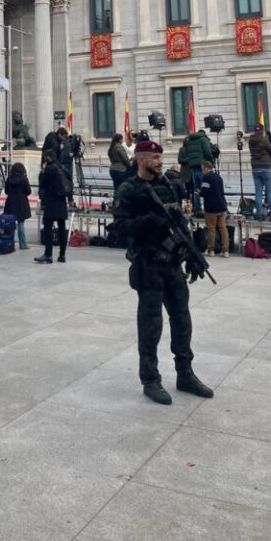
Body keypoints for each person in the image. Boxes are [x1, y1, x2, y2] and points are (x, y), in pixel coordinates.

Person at [114, 139, 213, 405]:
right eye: (155, 158)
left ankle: (185, 373)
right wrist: (149, 222)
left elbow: (179, 223)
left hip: (172, 264)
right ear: (141, 159)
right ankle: (150, 379)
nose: (160, 162)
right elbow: (120, 228)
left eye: (161, 158)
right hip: (148, 265)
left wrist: (193, 254)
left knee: (182, 320)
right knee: (151, 325)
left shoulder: (168, 185)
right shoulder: (128, 189)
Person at [34, 151, 69, 264]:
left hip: (51, 201)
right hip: (62, 202)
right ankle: (62, 255)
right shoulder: (61, 168)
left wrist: (43, 171)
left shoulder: (49, 169)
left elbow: (42, 183)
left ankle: (48, 255)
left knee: (48, 228)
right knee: (62, 228)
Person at [247, 125, 271, 221]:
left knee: (258, 193)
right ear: (262, 131)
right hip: (265, 168)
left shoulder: (250, 140)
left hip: (255, 168)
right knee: (269, 192)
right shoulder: (264, 140)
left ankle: (260, 214)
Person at [178, 129, 214, 212]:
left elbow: (189, 153)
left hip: (193, 167)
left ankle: (197, 208)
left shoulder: (190, 140)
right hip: (202, 166)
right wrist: (211, 161)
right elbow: (207, 152)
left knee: (196, 188)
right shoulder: (203, 139)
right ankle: (208, 207)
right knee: (205, 186)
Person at [199, 161, 229, 257]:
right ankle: (225, 250)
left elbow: (204, 193)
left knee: (211, 229)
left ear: (206, 168)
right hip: (221, 206)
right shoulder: (219, 177)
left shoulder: (206, 178)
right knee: (223, 228)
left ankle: (211, 250)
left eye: (202, 169)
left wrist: (198, 193)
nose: (202, 171)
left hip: (211, 207)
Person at [4, 162, 32, 250]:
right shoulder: (24, 179)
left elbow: (6, 191)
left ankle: (9, 243)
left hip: (10, 203)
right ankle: (23, 244)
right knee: (21, 223)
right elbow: (28, 191)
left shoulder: (9, 178)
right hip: (21, 204)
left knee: (10, 224)